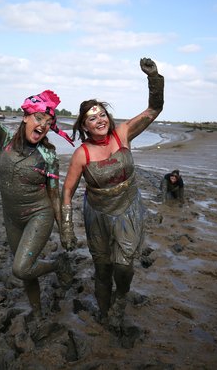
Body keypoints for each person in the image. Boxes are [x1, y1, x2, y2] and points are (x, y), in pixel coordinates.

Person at [0, 37, 74, 317]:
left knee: (20, 267)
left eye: (48, 122)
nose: (42, 126)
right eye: (38, 118)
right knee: (26, 270)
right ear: (25, 117)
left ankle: (58, 265)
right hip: (11, 216)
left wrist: (65, 230)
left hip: (38, 215)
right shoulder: (4, 139)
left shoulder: (49, 156)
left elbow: (55, 195)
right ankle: (37, 311)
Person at [60, 58, 164, 328]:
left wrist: (153, 78)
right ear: (84, 126)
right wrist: (68, 229)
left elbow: (155, 108)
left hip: (127, 208)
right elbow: (67, 192)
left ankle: (122, 298)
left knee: (124, 266)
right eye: (92, 118)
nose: (99, 120)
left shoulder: (123, 134)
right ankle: (105, 313)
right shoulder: (81, 154)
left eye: (102, 115)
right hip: (97, 215)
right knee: (103, 268)